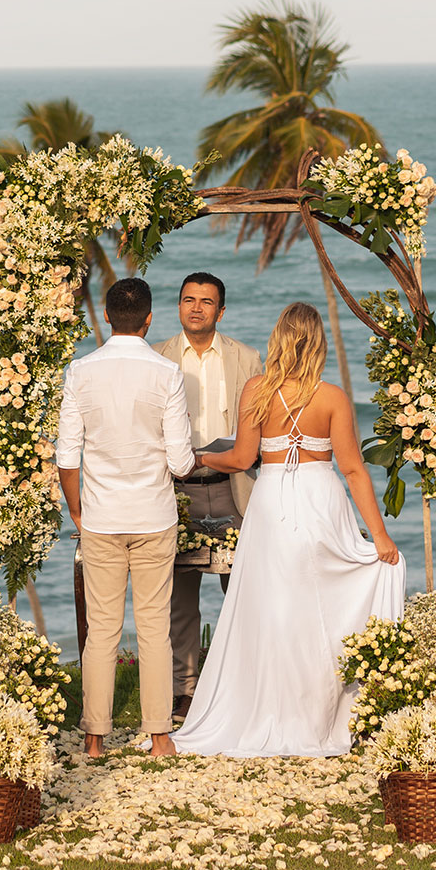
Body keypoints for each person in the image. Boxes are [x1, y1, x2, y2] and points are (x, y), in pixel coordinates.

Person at [171, 302, 406, 758]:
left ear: (279, 337)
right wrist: (379, 537)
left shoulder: (256, 389)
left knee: (275, 608)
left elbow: (240, 459)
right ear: (317, 343)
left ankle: (270, 709)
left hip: (274, 502)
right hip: (321, 501)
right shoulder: (332, 397)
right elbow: (355, 472)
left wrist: (200, 458)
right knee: (321, 607)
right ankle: (320, 714)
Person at [56, 277, 194, 758]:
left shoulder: (80, 371)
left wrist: (77, 510)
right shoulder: (167, 373)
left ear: (108, 316)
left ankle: (94, 737)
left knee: (102, 628)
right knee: (154, 626)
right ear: (150, 318)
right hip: (154, 516)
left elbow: (67, 455)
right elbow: (180, 462)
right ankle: (160, 737)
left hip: (99, 518)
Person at [153, 271, 262, 721]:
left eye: (206, 301)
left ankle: (245, 684)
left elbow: (259, 428)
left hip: (235, 488)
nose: (196, 307)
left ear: (221, 310)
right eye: (188, 299)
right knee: (179, 597)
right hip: (176, 491)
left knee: (243, 590)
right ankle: (186, 691)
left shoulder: (248, 358)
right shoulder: (157, 357)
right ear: (178, 306)